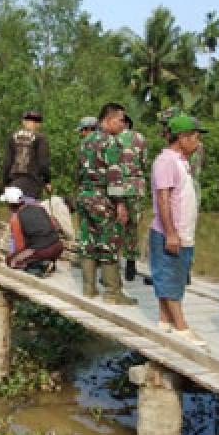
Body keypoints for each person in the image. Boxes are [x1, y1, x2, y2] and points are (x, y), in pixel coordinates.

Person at [149, 115, 207, 346]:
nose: (198, 141)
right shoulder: (166, 161)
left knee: (175, 277)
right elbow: (163, 199)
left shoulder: (182, 160)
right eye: (195, 136)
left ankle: (165, 320)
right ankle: (181, 326)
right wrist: (170, 233)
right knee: (171, 278)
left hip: (182, 232)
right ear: (182, 137)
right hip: (169, 233)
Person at [76, 103, 138, 305]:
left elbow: (78, 172)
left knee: (87, 241)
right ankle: (112, 293)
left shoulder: (86, 140)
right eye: (121, 120)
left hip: (84, 196)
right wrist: (120, 204)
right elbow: (114, 175)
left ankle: (89, 288)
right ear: (109, 120)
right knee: (109, 242)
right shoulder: (111, 142)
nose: (123, 124)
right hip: (103, 198)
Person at [2, 187, 63, 277]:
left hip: (43, 250)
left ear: (10, 204)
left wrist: (14, 254)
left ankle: (40, 267)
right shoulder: (39, 207)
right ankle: (48, 261)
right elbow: (54, 225)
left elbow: (20, 246)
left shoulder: (15, 218)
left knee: (10, 261)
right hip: (58, 246)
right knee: (34, 249)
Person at [118, 115, 148, 281]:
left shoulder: (112, 138)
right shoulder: (140, 138)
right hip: (136, 187)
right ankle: (131, 266)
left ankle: (112, 266)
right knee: (132, 227)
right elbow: (144, 162)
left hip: (118, 187)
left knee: (115, 226)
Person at [3, 110, 50, 201]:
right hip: (32, 182)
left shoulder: (12, 137)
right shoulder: (40, 138)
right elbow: (43, 163)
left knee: (16, 211)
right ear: (38, 124)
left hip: (14, 182)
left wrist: (5, 182)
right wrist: (47, 181)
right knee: (30, 211)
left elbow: (7, 163)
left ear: (23, 122)